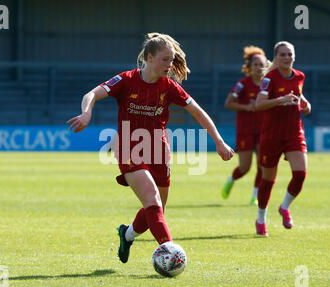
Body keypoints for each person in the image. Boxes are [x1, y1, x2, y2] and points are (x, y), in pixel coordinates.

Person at [67, 32, 234, 263]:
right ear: (149, 57)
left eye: (172, 59)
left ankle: (127, 235)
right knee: (153, 201)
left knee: (155, 210)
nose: (170, 65)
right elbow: (91, 94)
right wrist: (87, 113)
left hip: (159, 150)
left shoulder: (170, 87)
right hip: (129, 148)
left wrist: (219, 141)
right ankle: (170, 253)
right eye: (165, 59)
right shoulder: (126, 80)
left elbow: (198, 112)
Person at [254, 41, 311, 236]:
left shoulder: (300, 76)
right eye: (283, 54)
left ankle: (285, 207)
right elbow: (258, 104)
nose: (287, 58)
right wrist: (281, 100)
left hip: (294, 132)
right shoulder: (269, 79)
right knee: (268, 179)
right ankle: (261, 218)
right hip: (272, 135)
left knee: (301, 174)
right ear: (276, 58)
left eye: (290, 54)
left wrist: (305, 104)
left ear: (294, 56)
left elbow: (300, 97)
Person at [222, 46, 269, 205]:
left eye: (262, 64)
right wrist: (246, 107)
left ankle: (255, 196)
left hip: (264, 130)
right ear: (249, 67)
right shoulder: (242, 84)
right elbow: (228, 103)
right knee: (245, 167)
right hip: (245, 130)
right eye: (255, 64)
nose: (259, 67)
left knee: (263, 165)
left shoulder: (269, 85)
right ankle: (231, 179)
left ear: (267, 66)